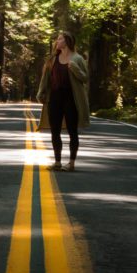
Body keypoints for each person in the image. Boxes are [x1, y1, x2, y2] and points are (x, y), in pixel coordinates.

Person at [36, 30, 90, 171]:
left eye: (59, 39)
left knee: (72, 131)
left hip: (71, 99)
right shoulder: (52, 59)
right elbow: (45, 78)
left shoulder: (77, 59)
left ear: (66, 41)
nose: (57, 41)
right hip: (54, 98)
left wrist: (76, 69)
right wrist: (41, 92)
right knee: (55, 131)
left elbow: (85, 78)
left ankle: (71, 163)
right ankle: (58, 162)